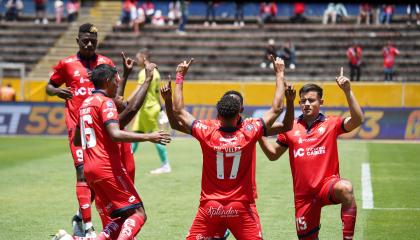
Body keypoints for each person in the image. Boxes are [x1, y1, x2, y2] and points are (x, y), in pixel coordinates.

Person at [169, 55, 291, 240]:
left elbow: (178, 111)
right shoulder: (249, 131)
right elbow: (276, 109)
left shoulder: (206, 131)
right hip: (241, 207)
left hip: (210, 207)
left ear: (218, 113)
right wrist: (280, 73)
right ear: (239, 113)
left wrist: (180, 76)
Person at [51, 64, 171, 240]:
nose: (117, 83)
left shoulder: (85, 104)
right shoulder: (105, 102)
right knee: (139, 213)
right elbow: (115, 133)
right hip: (107, 168)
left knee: (121, 216)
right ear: (107, 81)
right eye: (116, 80)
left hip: (90, 170)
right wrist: (148, 137)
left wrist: (99, 137)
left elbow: (78, 140)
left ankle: (73, 239)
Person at [258, 69, 364, 240]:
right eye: (303, 100)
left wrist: (347, 90)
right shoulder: (289, 127)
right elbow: (273, 155)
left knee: (346, 188)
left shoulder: (331, 123)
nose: (306, 104)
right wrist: (259, 135)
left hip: (327, 186)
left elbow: (357, 120)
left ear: (321, 101)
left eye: (311, 100)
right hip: (303, 197)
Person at [45, 23, 118, 237]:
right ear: (77, 41)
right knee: (82, 173)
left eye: (93, 41)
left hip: (101, 127)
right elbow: (49, 86)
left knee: (96, 174)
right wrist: (58, 92)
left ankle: (79, 214)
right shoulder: (66, 64)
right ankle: (88, 227)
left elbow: (115, 90)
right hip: (77, 126)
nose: (89, 44)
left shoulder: (106, 63)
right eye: (85, 40)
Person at [130, 49, 171, 174]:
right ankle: (125, 162)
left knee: (156, 136)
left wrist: (127, 101)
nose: (136, 61)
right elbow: (157, 93)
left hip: (147, 109)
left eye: (138, 58)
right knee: (135, 134)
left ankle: (165, 164)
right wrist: (160, 108)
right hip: (149, 108)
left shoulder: (144, 72)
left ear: (143, 58)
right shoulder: (156, 72)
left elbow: (138, 89)